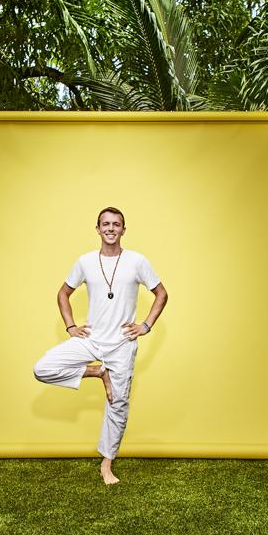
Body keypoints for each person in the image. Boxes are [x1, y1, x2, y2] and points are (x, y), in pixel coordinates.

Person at [33, 207, 168, 484]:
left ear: (123, 230)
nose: (110, 228)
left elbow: (161, 293)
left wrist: (145, 325)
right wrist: (71, 326)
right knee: (42, 368)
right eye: (105, 224)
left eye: (116, 224)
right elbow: (63, 293)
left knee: (118, 405)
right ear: (97, 229)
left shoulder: (137, 261)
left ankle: (106, 464)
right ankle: (98, 372)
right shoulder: (84, 261)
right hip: (91, 341)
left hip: (122, 345)